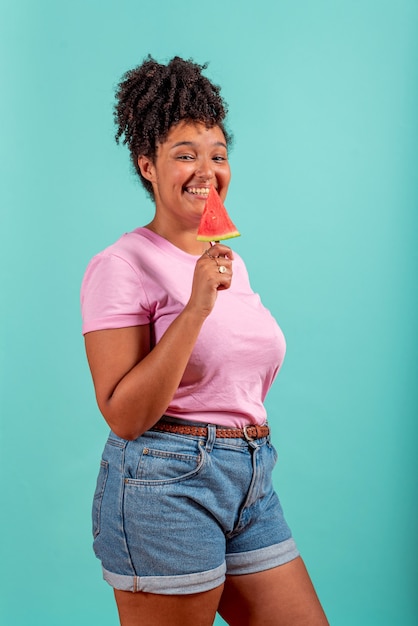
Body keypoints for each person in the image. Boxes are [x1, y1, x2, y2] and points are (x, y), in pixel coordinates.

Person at [81, 55, 328, 626]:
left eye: (217, 154)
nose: (205, 170)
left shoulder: (227, 262)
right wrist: (195, 308)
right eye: (184, 155)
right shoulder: (120, 264)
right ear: (147, 165)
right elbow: (123, 414)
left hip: (249, 476)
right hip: (165, 482)